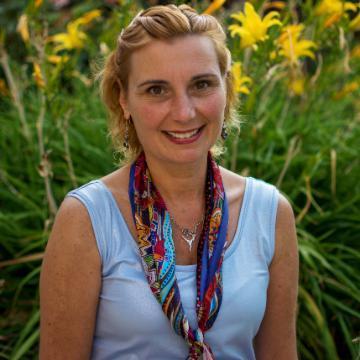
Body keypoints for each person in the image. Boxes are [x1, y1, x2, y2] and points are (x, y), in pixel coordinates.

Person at [40, 4, 298, 360]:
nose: (184, 112)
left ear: (227, 89)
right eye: (157, 90)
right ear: (124, 99)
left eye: (202, 84)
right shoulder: (87, 220)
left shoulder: (269, 213)